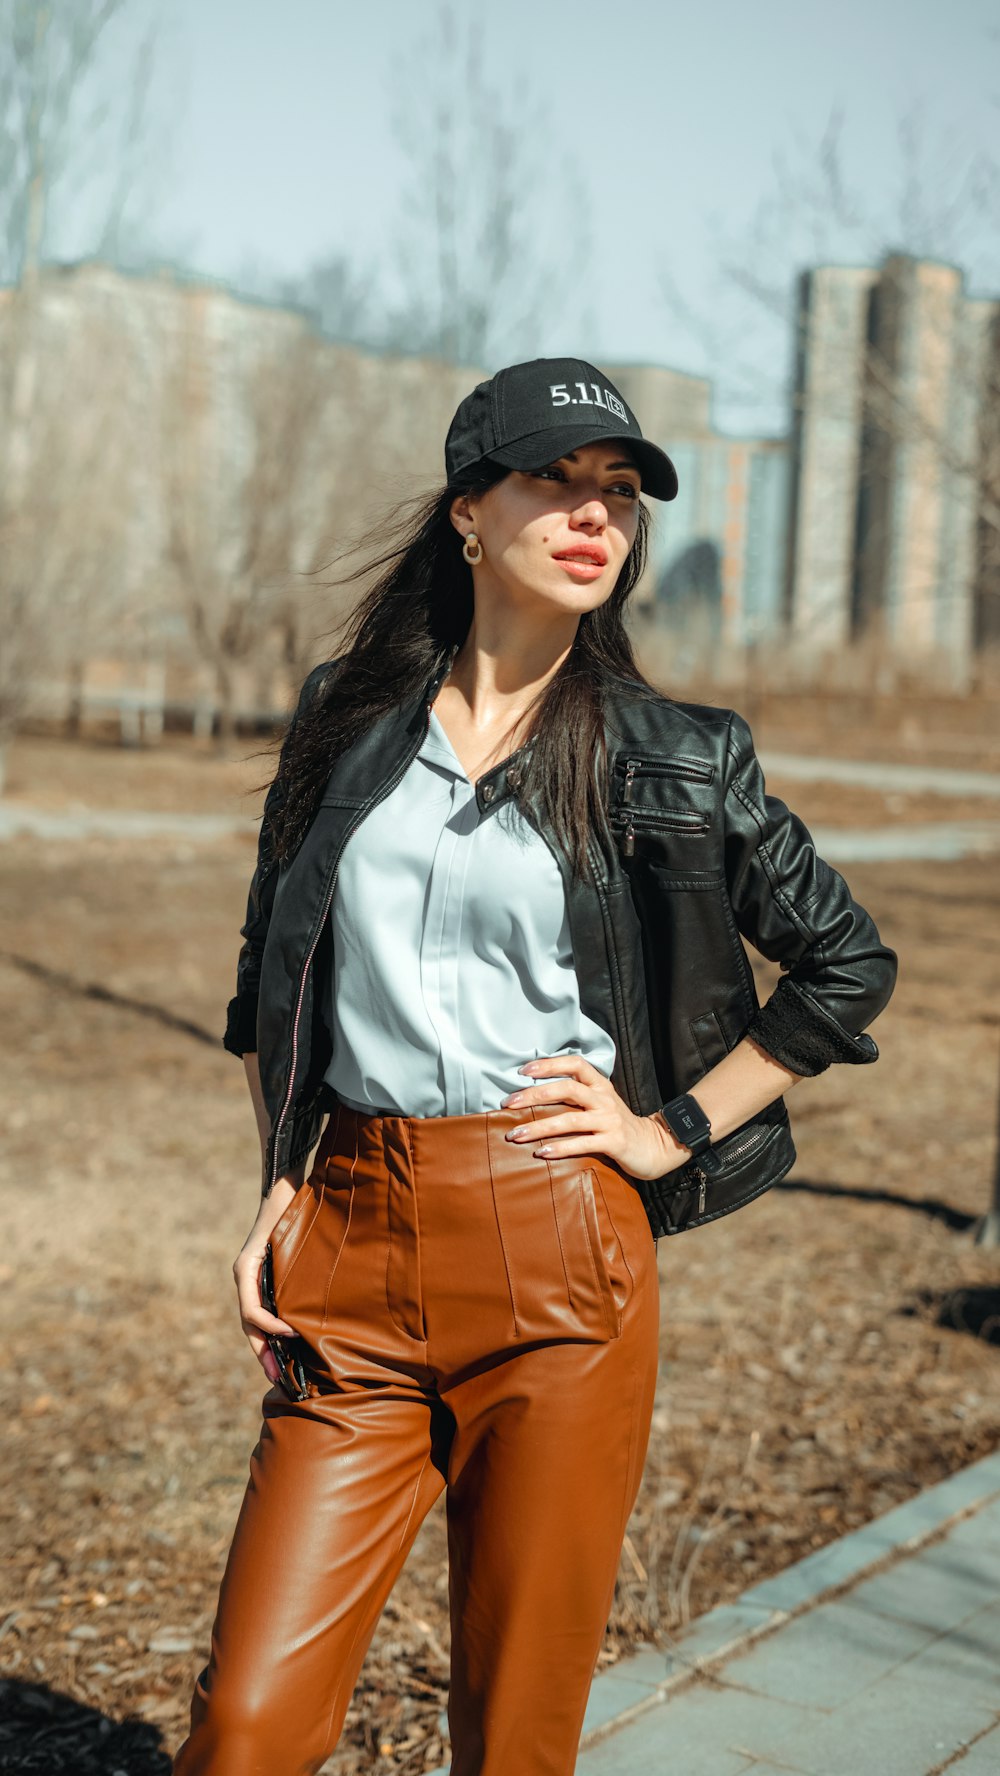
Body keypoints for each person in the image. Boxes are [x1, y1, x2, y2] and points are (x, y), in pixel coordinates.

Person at [171, 357, 897, 1776]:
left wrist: (671, 1127)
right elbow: (276, 977)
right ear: (465, 512)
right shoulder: (346, 722)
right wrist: (279, 1182)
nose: (593, 517)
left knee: (513, 1739)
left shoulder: (670, 753)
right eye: (554, 481)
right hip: (354, 1253)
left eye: (618, 495)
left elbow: (846, 965)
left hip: (561, 1257)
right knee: (247, 1726)